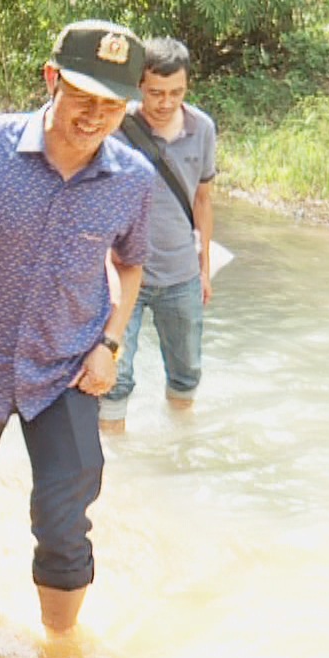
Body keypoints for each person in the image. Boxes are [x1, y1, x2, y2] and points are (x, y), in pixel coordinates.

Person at [0, 20, 154, 634]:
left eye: (112, 105)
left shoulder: (132, 179)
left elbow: (131, 264)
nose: (95, 116)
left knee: (65, 518)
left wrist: (110, 343)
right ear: (51, 80)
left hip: (67, 369)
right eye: (83, 96)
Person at [98, 37, 217, 434]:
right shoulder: (115, 128)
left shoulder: (202, 129)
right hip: (123, 272)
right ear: (138, 87)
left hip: (181, 273)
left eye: (176, 93)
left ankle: (182, 443)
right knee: (114, 379)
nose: (165, 103)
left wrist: (204, 270)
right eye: (155, 93)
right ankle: (116, 463)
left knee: (186, 372)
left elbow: (202, 202)